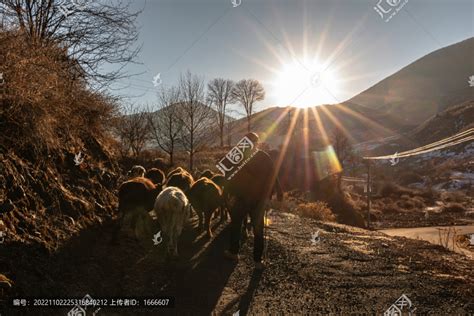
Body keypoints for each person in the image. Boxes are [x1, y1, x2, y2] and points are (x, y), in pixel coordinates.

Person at [223, 132, 283, 270]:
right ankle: (257, 261)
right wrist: (279, 193)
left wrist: (227, 192)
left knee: (236, 225)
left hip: (242, 197)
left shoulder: (237, 155)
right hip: (259, 199)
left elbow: (227, 175)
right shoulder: (264, 156)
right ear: (256, 143)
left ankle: (234, 252)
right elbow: (273, 175)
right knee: (258, 230)